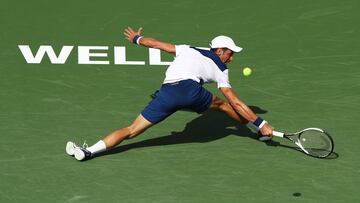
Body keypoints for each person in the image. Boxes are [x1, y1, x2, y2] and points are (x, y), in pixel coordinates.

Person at [66, 26, 274, 161]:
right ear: (219, 50)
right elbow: (236, 102)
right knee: (224, 105)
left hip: (167, 93)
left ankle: (88, 151)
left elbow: (155, 44)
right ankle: (256, 130)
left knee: (132, 130)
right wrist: (261, 123)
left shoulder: (188, 49)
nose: (232, 58)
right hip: (190, 91)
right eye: (230, 52)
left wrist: (137, 39)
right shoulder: (222, 70)